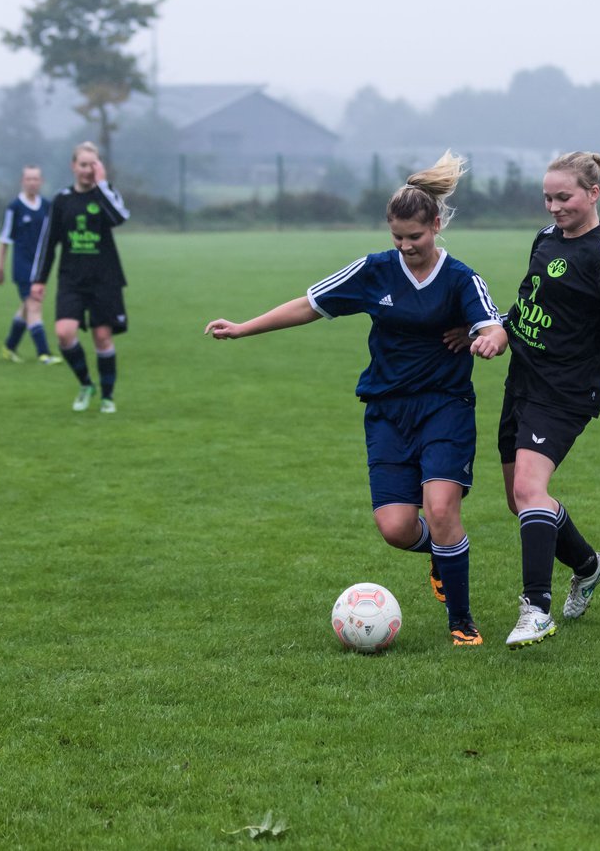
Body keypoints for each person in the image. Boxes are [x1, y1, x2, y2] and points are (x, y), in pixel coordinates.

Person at [203, 151, 507, 647]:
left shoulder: (460, 278)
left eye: (416, 236)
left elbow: (489, 320)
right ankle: (439, 554)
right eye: (398, 238)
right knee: (395, 528)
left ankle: (462, 620)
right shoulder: (374, 271)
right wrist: (244, 328)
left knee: (442, 507)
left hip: (444, 406)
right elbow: (309, 304)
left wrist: (490, 338)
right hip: (387, 411)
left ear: (435, 225)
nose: (407, 246)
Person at [498, 152, 600, 650]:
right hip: (522, 380)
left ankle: (535, 610)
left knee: (530, 491)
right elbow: (530, 299)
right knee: (522, 501)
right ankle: (589, 566)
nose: (553, 206)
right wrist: (497, 331)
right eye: (547, 197)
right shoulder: (546, 240)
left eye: (563, 197)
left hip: (566, 391)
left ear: (593, 194)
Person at [30, 141, 131, 414]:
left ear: (100, 167)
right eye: (83, 164)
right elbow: (48, 242)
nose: (88, 170)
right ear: (73, 166)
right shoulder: (62, 201)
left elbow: (119, 218)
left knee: (102, 337)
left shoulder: (106, 194)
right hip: (71, 279)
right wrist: (39, 280)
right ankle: (86, 384)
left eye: (93, 164)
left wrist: (101, 186)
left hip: (104, 279)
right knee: (64, 333)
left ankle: (107, 396)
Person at [0, 165, 60, 365]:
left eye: (36, 179)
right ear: (22, 181)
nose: (32, 182)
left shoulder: (47, 206)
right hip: (22, 266)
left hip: (41, 266)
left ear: (41, 181)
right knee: (34, 305)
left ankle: (10, 346)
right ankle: (44, 353)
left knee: (26, 308)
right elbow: (5, 239)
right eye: (28, 179)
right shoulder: (14, 207)